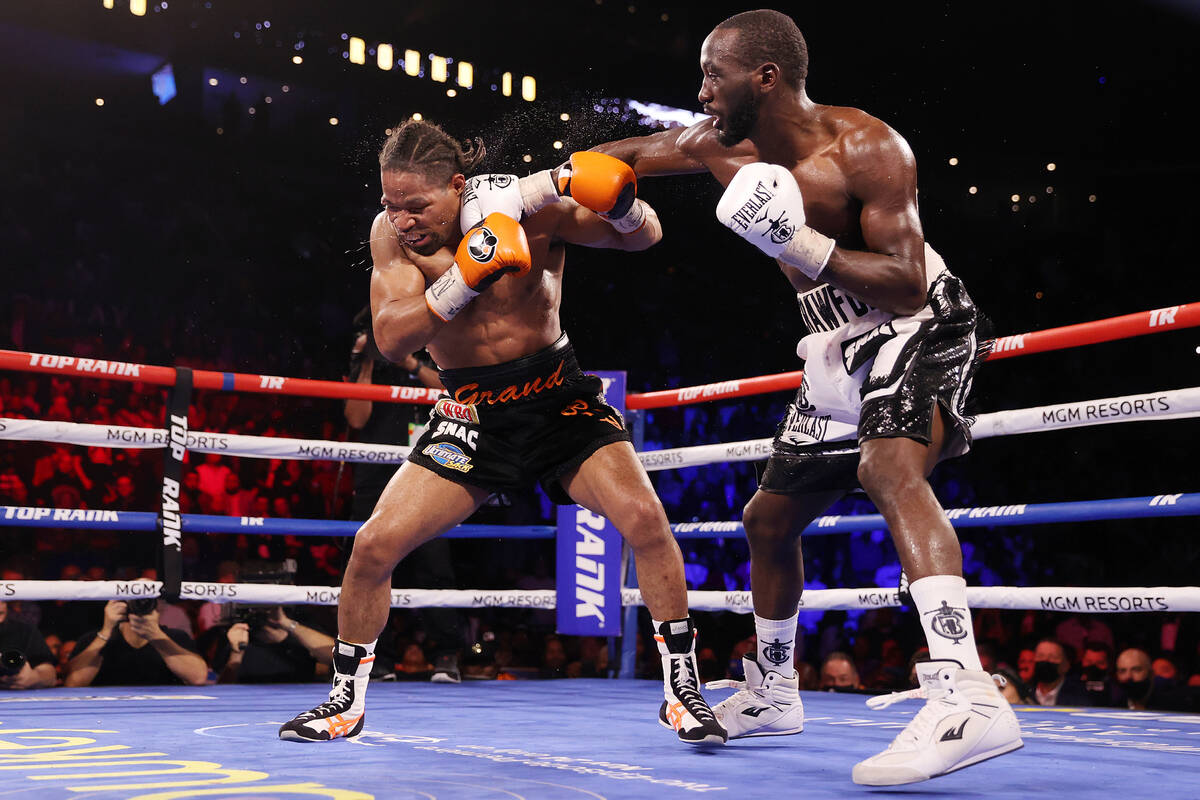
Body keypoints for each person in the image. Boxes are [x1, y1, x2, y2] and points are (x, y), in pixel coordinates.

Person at [582, 8, 1021, 783]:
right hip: (832, 339)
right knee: (768, 518)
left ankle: (969, 695)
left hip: (917, 320)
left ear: (766, 76)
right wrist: (568, 191)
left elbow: (909, 278)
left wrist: (800, 244)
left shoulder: (867, 146)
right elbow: (617, 156)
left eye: (715, 74)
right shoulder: (717, 144)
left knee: (887, 471)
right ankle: (777, 692)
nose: (701, 90)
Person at [279, 119, 725, 745]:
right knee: (373, 546)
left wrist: (623, 204)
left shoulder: (530, 207)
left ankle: (684, 692)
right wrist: (465, 276)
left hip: (557, 399)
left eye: (416, 205)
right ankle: (343, 703)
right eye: (390, 204)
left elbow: (643, 237)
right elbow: (392, 337)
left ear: (457, 186)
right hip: (472, 411)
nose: (402, 219)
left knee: (646, 521)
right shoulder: (393, 238)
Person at [344, 306, 466, 683]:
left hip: (427, 467)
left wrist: (411, 363)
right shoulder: (364, 364)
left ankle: (446, 654)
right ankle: (378, 657)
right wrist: (363, 363)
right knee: (375, 562)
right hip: (375, 474)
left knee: (434, 563)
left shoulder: (437, 350)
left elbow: (455, 394)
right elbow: (356, 418)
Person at [66, 598, 207, 687]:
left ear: (158, 604)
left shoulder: (176, 637)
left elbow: (198, 677)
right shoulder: (94, 639)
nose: (141, 603)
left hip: (164, 715)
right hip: (107, 714)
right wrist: (107, 630)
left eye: (147, 598)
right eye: (136, 598)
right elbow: (73, 683)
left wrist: (155, 634)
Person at [215, 606, 335, 684]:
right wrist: (237, 653)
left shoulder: (301, 627)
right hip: (247, 704)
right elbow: (222, 688)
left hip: (299, 703)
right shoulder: (235, 633)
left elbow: (335, 655)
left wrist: (286, 623)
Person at [0, 600, 57, 690]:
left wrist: (34, 677)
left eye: (2, 600)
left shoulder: (24, 630)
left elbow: (51, 675)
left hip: (16, 699)